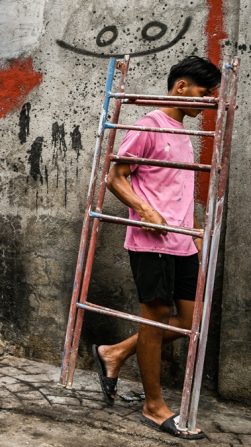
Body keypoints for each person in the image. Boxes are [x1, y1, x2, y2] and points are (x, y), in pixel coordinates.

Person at [94, 55, 221, 440]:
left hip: (183, 242)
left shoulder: (185, 133)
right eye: (204, 92)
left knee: (188, 323)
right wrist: (144, 209)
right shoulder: (149, 125)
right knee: (154, 317)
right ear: (181, 87)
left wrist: (192, 228)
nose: (209, 101)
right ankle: (153, 406)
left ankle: (114, 352)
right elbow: (114, 175)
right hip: (151, 242)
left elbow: (173, 187)